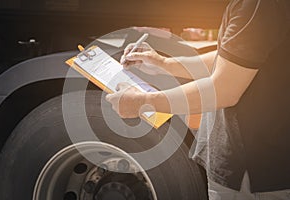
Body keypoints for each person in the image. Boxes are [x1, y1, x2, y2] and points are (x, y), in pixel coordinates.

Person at [106, 0, 290, 199]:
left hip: (251, 173)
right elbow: (234, 58)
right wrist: (164, 63)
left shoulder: (258, 4)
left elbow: (224, 89)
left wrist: (141, 103)